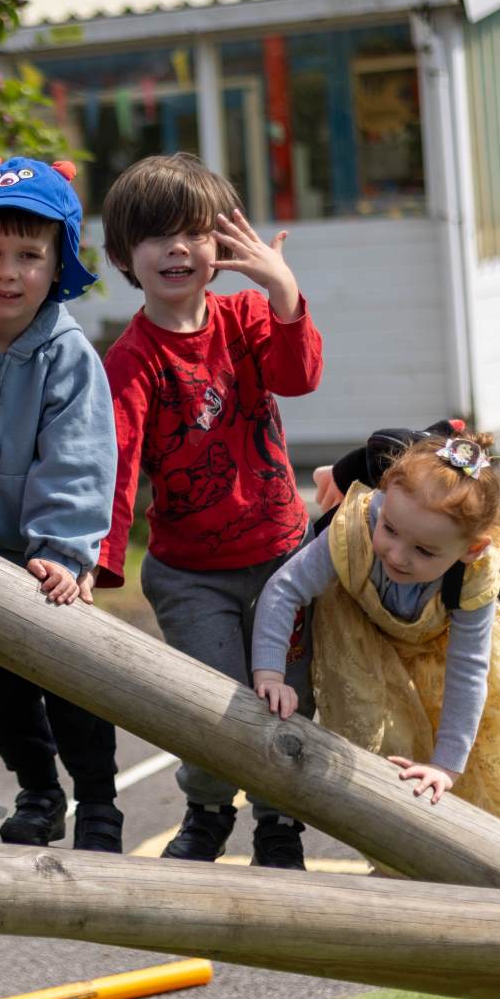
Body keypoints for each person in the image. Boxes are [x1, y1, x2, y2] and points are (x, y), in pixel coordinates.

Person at [97, 153, 323, 867]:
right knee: (214, 705)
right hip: (191, 572)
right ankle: (207, 809)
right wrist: (97, 564)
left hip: (284, 559)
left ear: (222, 245)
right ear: (123, 256)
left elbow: (300, 376)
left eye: (195, 232)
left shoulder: (249, 317)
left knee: (290, 697)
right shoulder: (132, 359)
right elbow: (116, 465)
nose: (178, 249)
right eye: (156, 236)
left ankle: (280, 823)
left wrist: (283, 290)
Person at [251, 432, 500, 854]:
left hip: (441, 647)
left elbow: (468, 672)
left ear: (472, 549)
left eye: (425, 551)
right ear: (383, 498)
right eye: (390, 530)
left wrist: (445, 767)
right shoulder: (358, 525)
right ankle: (400, 850)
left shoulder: (473, 576)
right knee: (383, 741)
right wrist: (271, 672)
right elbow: (285, 588)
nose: (397, 555)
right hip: (369, 641)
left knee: (498, 744)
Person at [0, 155, 123, 851]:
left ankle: (98, 800)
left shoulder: (66, 354)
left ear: (59, 264)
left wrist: (63, 551)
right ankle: (38, 790)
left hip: (49, 563)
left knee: (74, 683)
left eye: (29, 256)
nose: (8, 273)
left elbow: (79, 457)